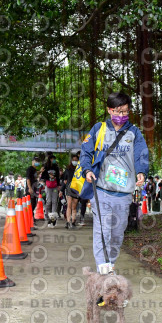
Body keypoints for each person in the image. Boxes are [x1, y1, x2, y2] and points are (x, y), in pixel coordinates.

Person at [80, 92, 149, 274]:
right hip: (101, 190)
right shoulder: (99, 129)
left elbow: (141, 153)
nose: (121, 115)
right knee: (102, 232)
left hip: (123, 193)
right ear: (109, 110)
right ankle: (103, 270)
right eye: (118, 111)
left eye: (125, 111)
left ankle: (110, 264)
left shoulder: (134, 132)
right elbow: (86, 152)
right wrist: (87, 170)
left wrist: (141, 171)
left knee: (117, 234)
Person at [63, 153, 80, 228]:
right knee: (69, 206)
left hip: (76, 189)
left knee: (74, 207)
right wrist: (61, 190)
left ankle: (73, 221)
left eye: (76, 160)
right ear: (71, 160)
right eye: (73, 160)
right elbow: (64, 181)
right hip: (69, 189)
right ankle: (68, 221)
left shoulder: (79, 169)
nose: (75, 161)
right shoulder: (68, 169)